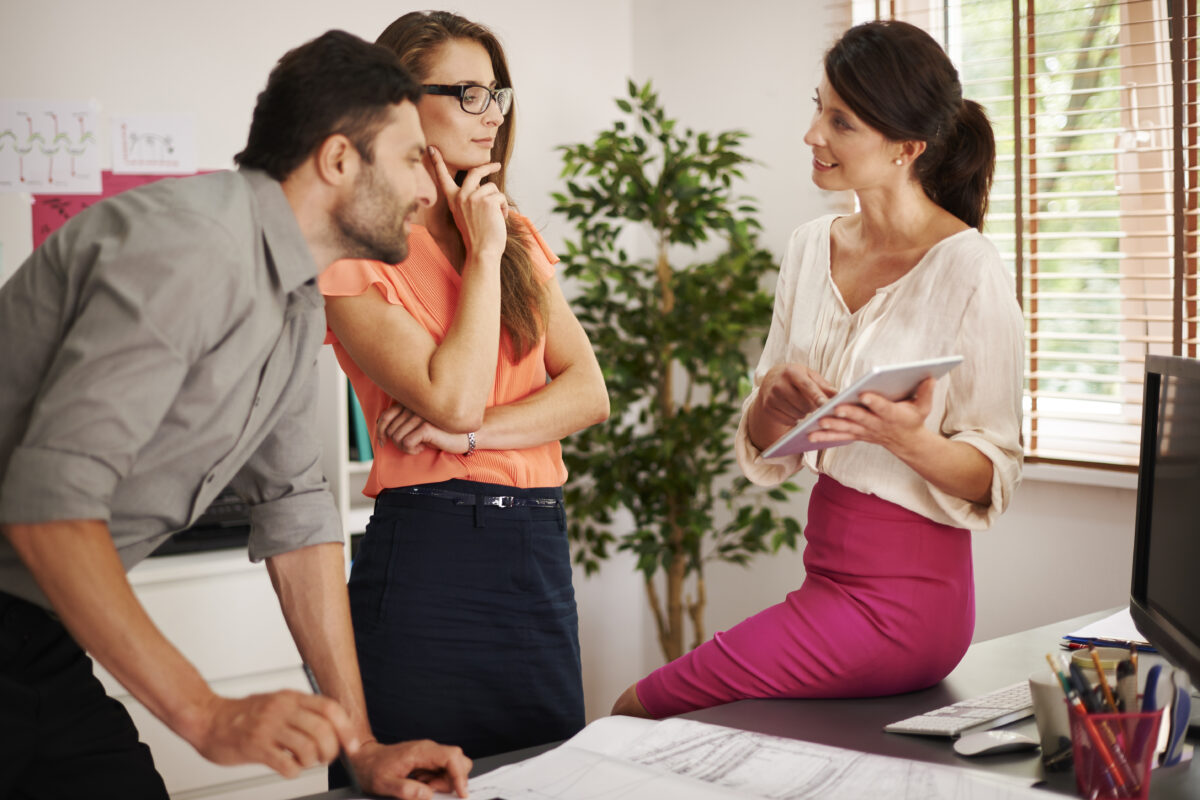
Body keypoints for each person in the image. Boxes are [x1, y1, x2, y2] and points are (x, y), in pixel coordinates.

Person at [0, 30, 472, 800]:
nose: (431, 186)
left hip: (38, 630)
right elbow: (50, 508)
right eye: (414, 156)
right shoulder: (190, 246)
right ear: (338, 159)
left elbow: (296, 513)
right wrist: (209, 715)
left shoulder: (291, 297)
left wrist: (359, 745)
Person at [611, 19, 1024, 719]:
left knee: (638, 707)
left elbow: (995, 474)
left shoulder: (970, 267)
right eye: (817, 107)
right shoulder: (809, 247)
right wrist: (770, 402)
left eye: (841, 121)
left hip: (909, 604)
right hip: (827, 577)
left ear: (906, 146)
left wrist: (906, 438)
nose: (813, 134)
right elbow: (768, 437)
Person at [319, 10, 609, 772]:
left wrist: (474, 435)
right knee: (416, 782)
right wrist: (482, 258)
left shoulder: (507, 228)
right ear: (400, 101)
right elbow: (450, 395)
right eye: (468, 93)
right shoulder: (356, 246)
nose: (493, 116)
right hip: (429, 558)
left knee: (544, 776)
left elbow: (588, 394)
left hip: (535, 549)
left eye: (497, 95)